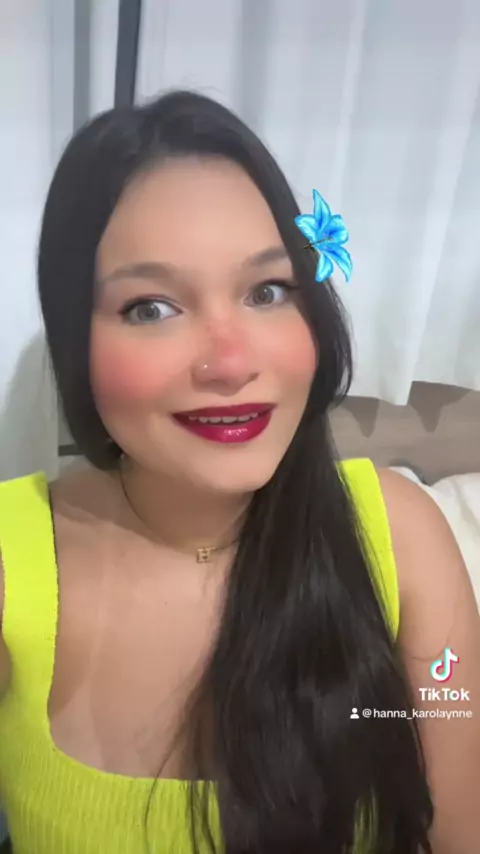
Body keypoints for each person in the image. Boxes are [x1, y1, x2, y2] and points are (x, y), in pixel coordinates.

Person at [0, 90, 478, 854]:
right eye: (151, 307)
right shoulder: (10, 555)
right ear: (74, 342)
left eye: (268, 291)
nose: (229, 363)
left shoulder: (403, 535)